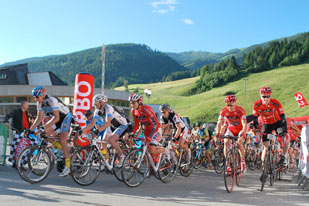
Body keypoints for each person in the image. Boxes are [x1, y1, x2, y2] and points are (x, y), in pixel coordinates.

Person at [29, 86, 72, 177]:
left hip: (65, 117)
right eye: (34, 97)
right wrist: (30, 130)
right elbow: (39, 118)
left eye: (37, 97)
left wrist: (43, 127)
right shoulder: (40, 104)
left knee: (62, 139)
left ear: (42, 95)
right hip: (56, 118)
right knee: (45, 134)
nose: (35, 99)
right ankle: (60, 150)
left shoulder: (52, 100)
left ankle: (68, 166)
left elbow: (57, 118)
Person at [82, 94, 131, 167]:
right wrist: (81, 131)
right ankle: (106, 161)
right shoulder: (97, 110)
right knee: (103, 140)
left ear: (102, 102)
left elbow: (107, 123)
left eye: (96, 103)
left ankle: (122, 157)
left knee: (111, 140)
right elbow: (92, 123)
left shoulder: (108, 108)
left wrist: (98, 130)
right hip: (113, 126)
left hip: (122, 125)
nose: (95, 105)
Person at [252, 86, 289, 182]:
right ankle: (264, 170)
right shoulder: (257, 105)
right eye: (264, 96)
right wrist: (256, 129)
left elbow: (283, 116)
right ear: (260, 96)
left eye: (268, 96)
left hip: (278, 123)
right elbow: (255, 119)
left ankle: (284, 156)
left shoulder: (275, 103)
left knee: (286, 138)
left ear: (270, 95)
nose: (266, 98)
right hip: (266, 124)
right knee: (265, 147)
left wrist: (283, 130)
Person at [129, 93, 168, 158]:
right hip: (146, 130)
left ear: (139, 102)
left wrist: (149, 137)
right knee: (144, 152)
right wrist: (133, 134)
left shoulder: (146, 109)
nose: (132, 105)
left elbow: (155, 124)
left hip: (155, 130)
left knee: (152, 150)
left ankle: (165, 150)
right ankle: (150, 166)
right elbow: (137, 124)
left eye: (133, 103)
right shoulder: (133, 111)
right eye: (131, 103)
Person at [216, 95, 247, 173]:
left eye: (231, 105)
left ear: (235, 103)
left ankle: (243, 161)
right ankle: (228, 163)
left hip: (240, 129)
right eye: (227, 105)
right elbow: (219, 123)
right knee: (226, 142)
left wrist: (243, 132)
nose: (229, 107)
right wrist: (218, 133)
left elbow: (244, 123)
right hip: (231, 129)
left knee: (239, 142)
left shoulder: (241, 110)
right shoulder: (223, 111)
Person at [4, 101, 31, 167]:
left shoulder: (26, 113)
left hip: (25, 133)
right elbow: (8, 116)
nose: (28, 106)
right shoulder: (16, 112)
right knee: (17, 148)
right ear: (23, 105)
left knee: (24, 149)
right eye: (27, 105)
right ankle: (15, 163)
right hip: (18, 132)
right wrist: (6, 122)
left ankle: (21, 163)